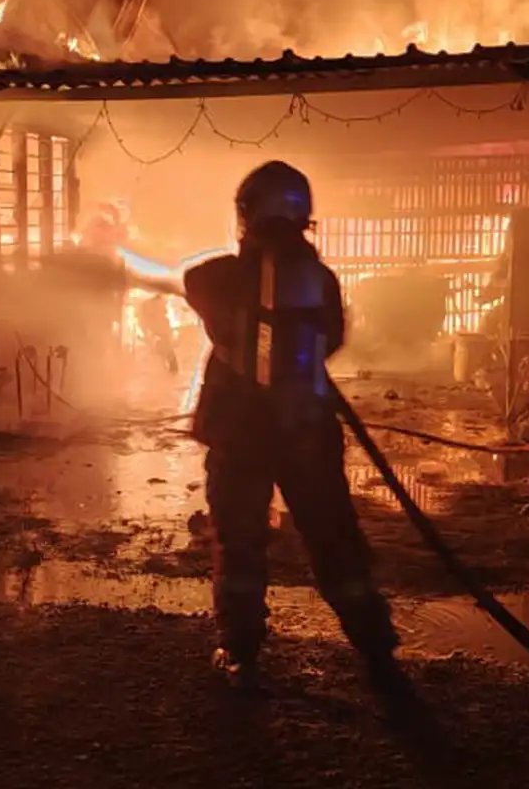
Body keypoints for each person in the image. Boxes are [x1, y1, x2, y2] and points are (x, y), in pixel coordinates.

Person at [183, 160, 402, 692]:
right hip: (307, 428)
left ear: (246, 213)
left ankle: (241, 653)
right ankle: (374, 645)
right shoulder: (321, 280)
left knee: (240, 542)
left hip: (240, 435)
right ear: (304, 216)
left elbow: (198, 290)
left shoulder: (214, 277)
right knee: (332, 538)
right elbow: (331, 338)